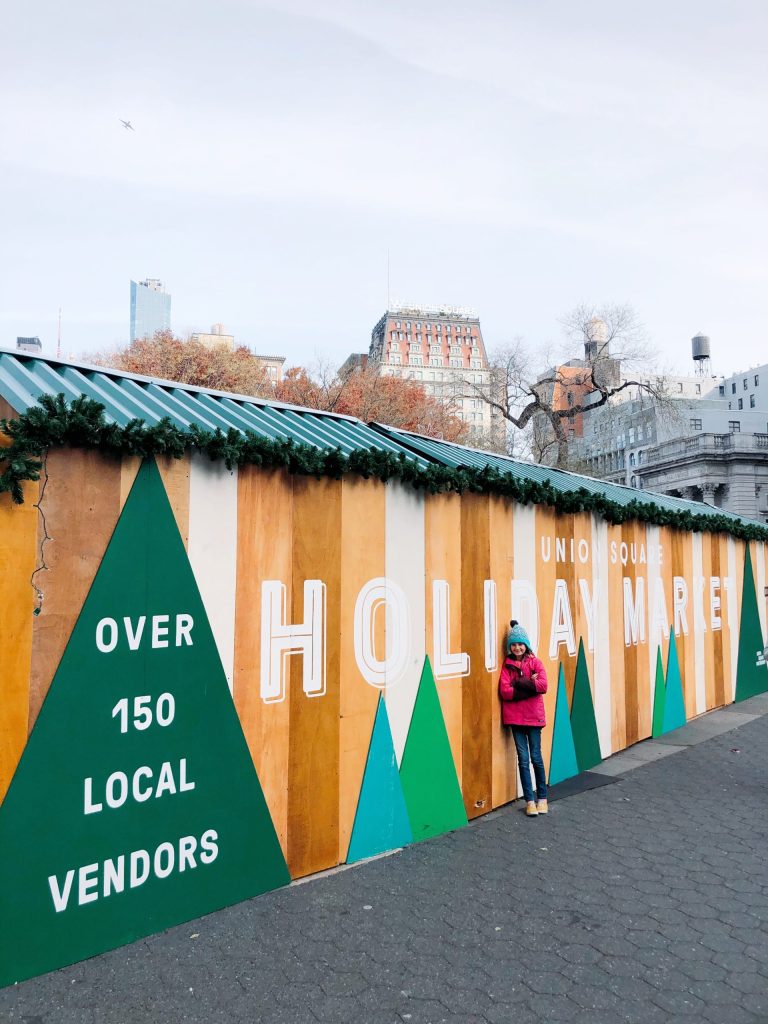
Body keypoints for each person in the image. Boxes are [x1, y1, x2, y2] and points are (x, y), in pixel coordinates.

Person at [498, 620, 549, 817]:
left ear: (526, 645)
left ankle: (542, 798)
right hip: (515, 719)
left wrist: (518, 683)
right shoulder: (507, 665)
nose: (517, 647)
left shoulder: (535, 662)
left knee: (536, 757)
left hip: (534, 718)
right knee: (523, 759)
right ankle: (530, 800)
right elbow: (505, 692)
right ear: (510, 647)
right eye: (513, 644)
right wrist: (528, 683)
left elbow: (543, 686)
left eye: (520, 644)